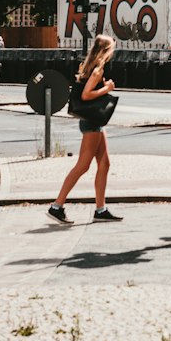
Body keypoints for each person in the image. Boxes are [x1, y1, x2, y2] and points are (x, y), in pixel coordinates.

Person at [48, 34, 121, 224]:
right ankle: (57, 206)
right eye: (112, 49)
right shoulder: (97, 69)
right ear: (106, 51)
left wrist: (103, 86)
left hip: (94, 121)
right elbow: (87, 95)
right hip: (91, 122)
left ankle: (100, 209)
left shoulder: (90, 67)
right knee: (83, 165)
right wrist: (107, 89)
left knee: (104, 164)